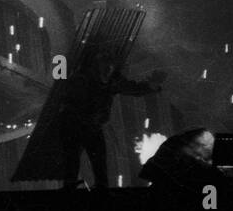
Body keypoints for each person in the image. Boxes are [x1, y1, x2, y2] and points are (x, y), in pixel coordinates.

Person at [57, 49, 166, 190]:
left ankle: (98, 188)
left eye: (110, 68)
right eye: (104, 67)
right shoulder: (82, 79)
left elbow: (132, 88)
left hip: (92, 126)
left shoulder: (112, 80)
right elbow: (69, 100)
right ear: (96, 66)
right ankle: (71, 187)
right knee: (73, 161)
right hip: (74, 125)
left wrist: (151, 86)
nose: (107, 71)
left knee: (99, 163)